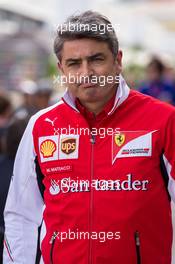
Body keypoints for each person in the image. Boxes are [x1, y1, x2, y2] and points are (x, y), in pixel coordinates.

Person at [3, 10, 175, 264]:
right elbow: (21, 215)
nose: (86, 73)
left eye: (96, 59)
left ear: (118, 60)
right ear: (61, 69)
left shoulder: (164, 119)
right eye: (74, 63)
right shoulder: (41, 125)